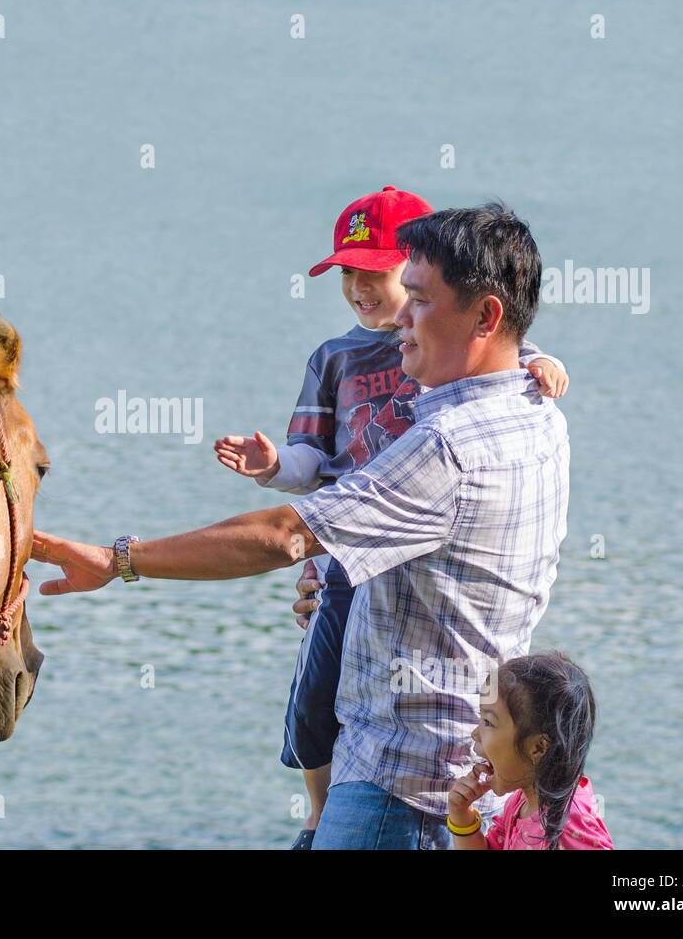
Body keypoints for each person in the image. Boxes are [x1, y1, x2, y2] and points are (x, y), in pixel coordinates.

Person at [32, 202, 570, 850]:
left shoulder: (447, 446)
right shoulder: (535, 413)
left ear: (485, 316)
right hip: (453, 775)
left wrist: (118, 559)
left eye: (419, 299)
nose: (398, 315)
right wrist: (343, 585)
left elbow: (283, 535)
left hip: (397, 792)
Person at [213, 186, 568, 849]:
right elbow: (309, 463)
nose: (361, 290)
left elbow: (515, 351)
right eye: (347, 274)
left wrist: (546, 364)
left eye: (376, 274)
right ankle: (316, 812)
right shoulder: (336, 358)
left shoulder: (459, 373)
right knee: (316, 698)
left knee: (346, 690)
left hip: (411, 736)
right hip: (345, 551)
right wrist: (270, 466)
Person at [447, 651, 613, 849]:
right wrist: (462, 816)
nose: (475, 733)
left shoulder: (567, 824)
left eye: (488, 722)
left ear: (538, 747)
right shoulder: (522, 802)